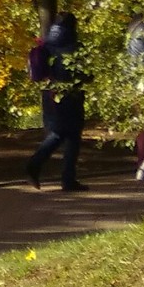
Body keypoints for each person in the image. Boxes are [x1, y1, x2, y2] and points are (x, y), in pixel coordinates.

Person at [27, 13, 87, 192]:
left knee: (59, 132)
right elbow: (83, 73)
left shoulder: (46, 44)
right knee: (69, 135)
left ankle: (59, 175)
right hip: (70, 94)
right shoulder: (74, 46)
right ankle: (57, 174)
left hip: (49, 94)